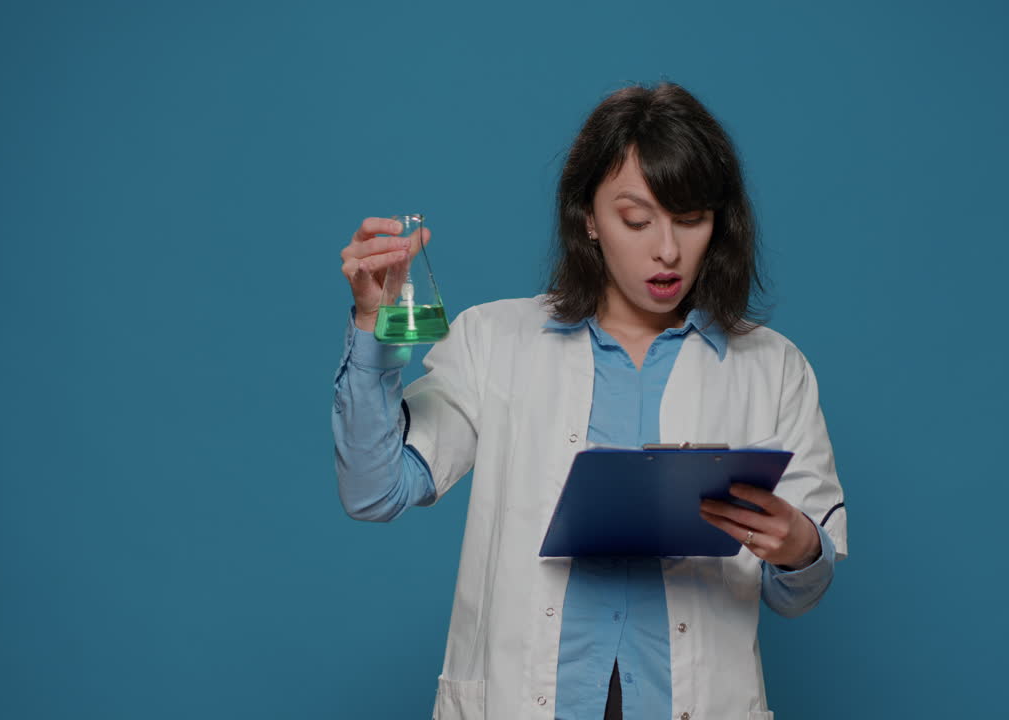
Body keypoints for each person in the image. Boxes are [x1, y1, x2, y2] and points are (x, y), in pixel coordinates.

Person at [333, 82, 847, 720]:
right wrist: (371, 330)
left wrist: (800, 546)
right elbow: (373, 490)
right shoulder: (496, 340)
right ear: (588, 218)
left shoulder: (773, 368)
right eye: (637, 219)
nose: (668, 249)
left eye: (691, 219)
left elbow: (799, 593)